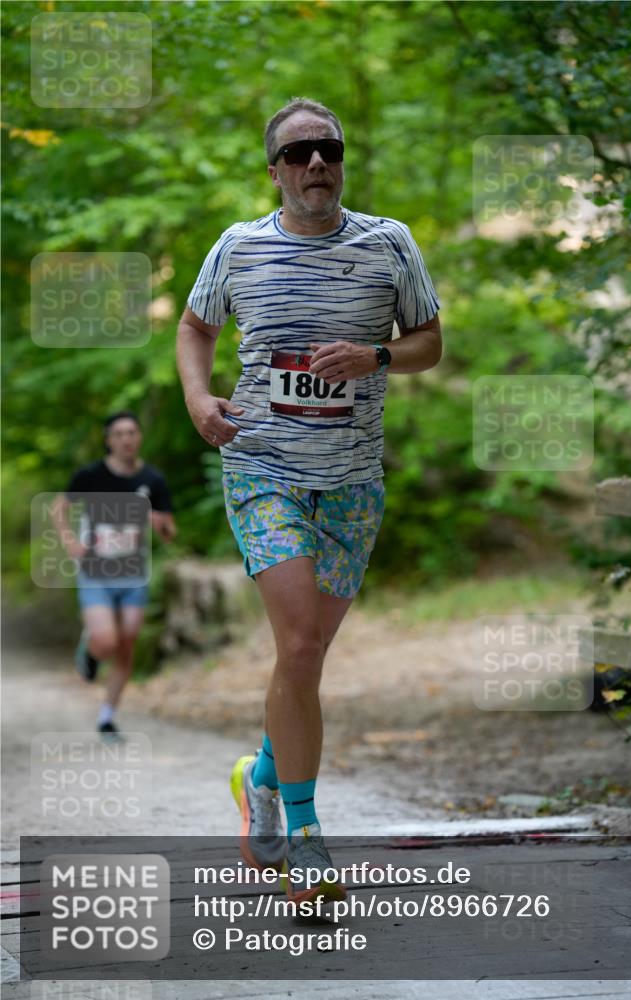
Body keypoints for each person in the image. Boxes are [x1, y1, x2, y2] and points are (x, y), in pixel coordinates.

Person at [176, 97, 441, 904]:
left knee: (306, 657)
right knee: (296, 646)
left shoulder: (387, 243)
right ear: (275, 171)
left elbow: (428, 342)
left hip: (352, 478)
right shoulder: (239, 247)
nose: (315, 164)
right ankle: (304, 840)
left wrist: (375, 357)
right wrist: (197, 401)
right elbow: (194, 330)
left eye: (326, 149)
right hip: (261, 467)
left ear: (341, 160)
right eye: (297, 155)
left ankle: (258, 778)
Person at [51, 411, 176, 741]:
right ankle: (90, 650)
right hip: (96, 571)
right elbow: (58, 508)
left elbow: (169, 531)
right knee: (107, 641)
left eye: (132, 432)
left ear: (139, 437)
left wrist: (157, 523)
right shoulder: (90, 476)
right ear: (109, 440)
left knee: (127, 642)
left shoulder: (153, 480)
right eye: (119, 433)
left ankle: (107, 718)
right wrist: (70, 543)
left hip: (134, 574)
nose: (126, 439)